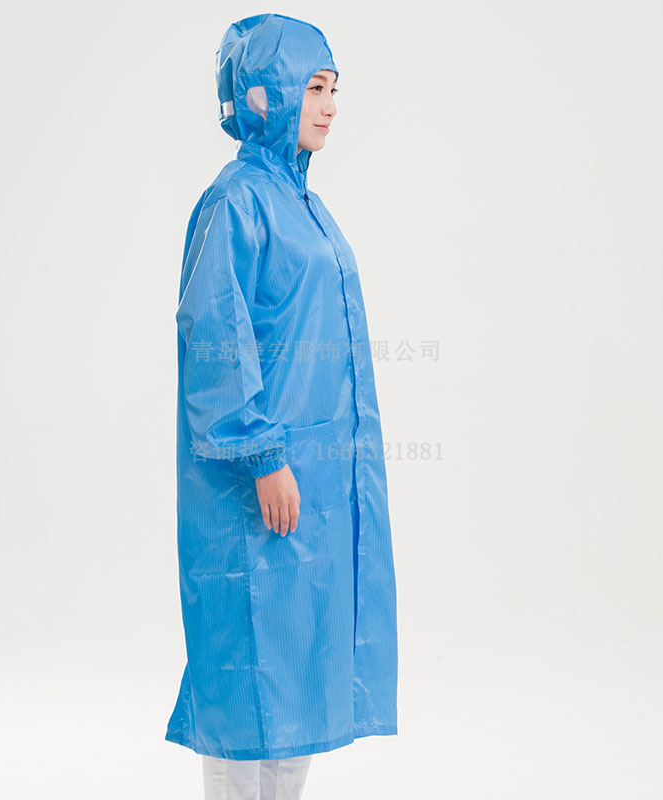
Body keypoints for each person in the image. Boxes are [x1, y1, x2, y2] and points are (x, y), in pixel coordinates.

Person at [165, 13, 399, 799]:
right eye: (314, 87)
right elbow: (215, 335)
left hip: (314, 489)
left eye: (335, 90)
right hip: (254, 487)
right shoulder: (235, 201)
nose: (330, 106)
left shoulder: (307, 206)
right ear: (265, 93)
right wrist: (263, 454)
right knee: (247, 685)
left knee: (296, 682)